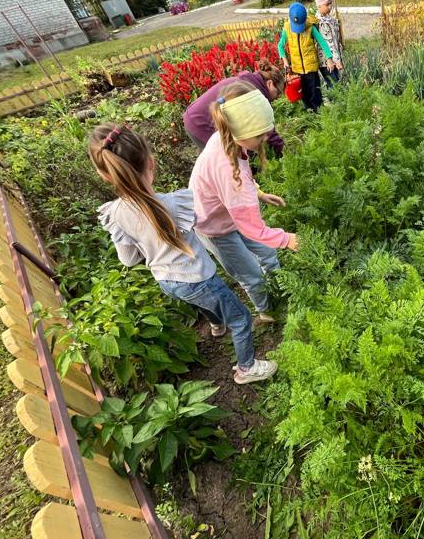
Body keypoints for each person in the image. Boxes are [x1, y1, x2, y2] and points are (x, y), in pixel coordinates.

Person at [89, 124, 277, 385]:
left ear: (106, 175)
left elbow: (129, 259)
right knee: (241, 317)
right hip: (199, 278)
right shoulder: (176, 203)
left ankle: (216, 326)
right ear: (151, 163)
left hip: (167, 282)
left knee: (205, 303)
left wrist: (150, 245)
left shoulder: (114, 215)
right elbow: (206, 220)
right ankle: (246, 367)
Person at [190, 80, 298, 327]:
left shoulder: (227, 137)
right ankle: (268, 312)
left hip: (230, 213)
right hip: (214, 229)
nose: (264, 139)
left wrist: (258, 193)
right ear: (241, 132)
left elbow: (240, 182)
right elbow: (252, 227)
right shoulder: (226, 167)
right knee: (252, 275)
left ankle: (283, 291)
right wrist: (288, 239)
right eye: (259, 135)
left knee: (268, 253)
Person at [182, 60, 286, 156]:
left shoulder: (249, 82)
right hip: (201, 123)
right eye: (277, 92)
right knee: (232, 159)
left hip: (195, 116)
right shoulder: (252, 92)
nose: (276, 97)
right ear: (270, 84)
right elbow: (263, 125)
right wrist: (282, 151)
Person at [278, 2, 335, 112]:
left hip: (311, 69)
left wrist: (329, 58)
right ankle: (309, 114)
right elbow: (280, 45)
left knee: (315, 93)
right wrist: (284, 60)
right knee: (304, 94)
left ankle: (319, 114)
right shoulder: (287, 29)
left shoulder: (310, 28)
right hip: (297, 69)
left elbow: (322, 42)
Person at [311, 0, 344, 88]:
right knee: (335, 87)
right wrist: (336, 60)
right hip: (327, 61)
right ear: (319, 5)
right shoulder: (321, 22)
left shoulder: (328, 19)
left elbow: (335, 39)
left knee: (336, 85)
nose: (330, 7)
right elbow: (329, 43)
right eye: (327, 4)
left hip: (334, 58)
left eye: (330, 4)